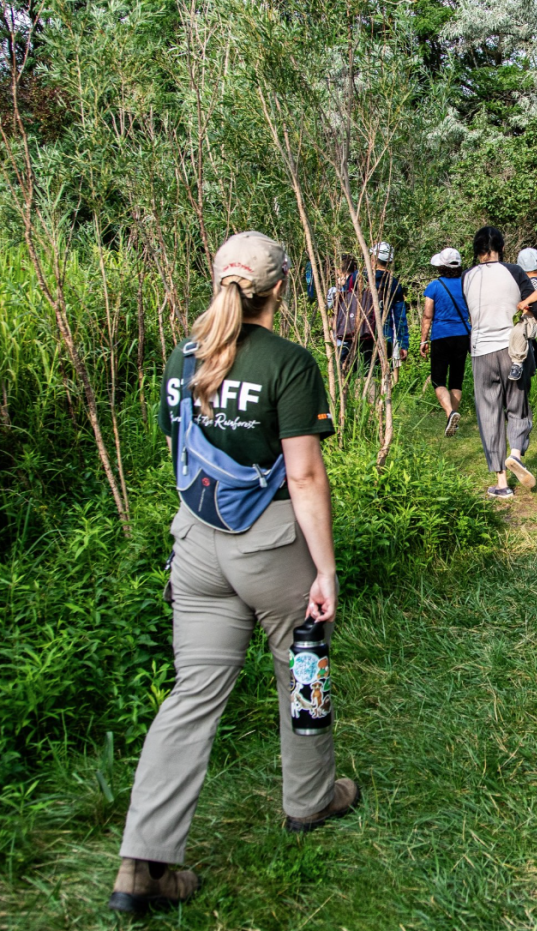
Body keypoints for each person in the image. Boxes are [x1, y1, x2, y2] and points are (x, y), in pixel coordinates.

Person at [109, 232, 356, 914]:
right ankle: (309, 800)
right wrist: (325, 569)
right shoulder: (290, 363)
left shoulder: (183, 354)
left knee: (192, 695)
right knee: (302, 663)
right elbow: (303, 473)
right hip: (271, 544)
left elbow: (180, 453)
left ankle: (145, 861)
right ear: (281, 288)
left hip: (196, 544)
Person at [462, 226, 537, 497]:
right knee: (517, 406)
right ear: (501, 246)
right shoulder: (514, 271)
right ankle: (516, 454)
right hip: (514, 350)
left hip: (481, 352)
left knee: (489, 413)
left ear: (477, 250)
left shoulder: (467, 277)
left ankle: (501, 483)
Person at [420, 247, 470, 437]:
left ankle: (450, 413)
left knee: (438, 379)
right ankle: (453, 422)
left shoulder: (434, 286)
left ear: (441, 266)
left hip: (441, 335)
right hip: (463, 336)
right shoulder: (466, 285)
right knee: (456, 379)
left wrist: (422, 340)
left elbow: (427, 316)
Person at [507, 248, 537, 381]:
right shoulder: (534, 280)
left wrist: (526, 301)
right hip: (532, 321)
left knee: (519, 332)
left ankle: (517, 364)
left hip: (530, 321)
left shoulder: (533, 282)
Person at [371, 241, 409, 384]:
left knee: (364, 374)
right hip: (386, 335)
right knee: (387, 375)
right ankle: (382, 403)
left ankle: (367, 403)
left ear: (373, 258)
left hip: (361, 335)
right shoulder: (393, 283)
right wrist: (403, 343)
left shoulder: (360, 279)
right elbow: (400, 317)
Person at [330, 253, 364, 374]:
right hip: (356, 333)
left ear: (339, 270)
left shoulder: (338, 289)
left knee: (342, 370)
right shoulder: (358, 281)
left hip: (342, 335)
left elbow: (331, 309)